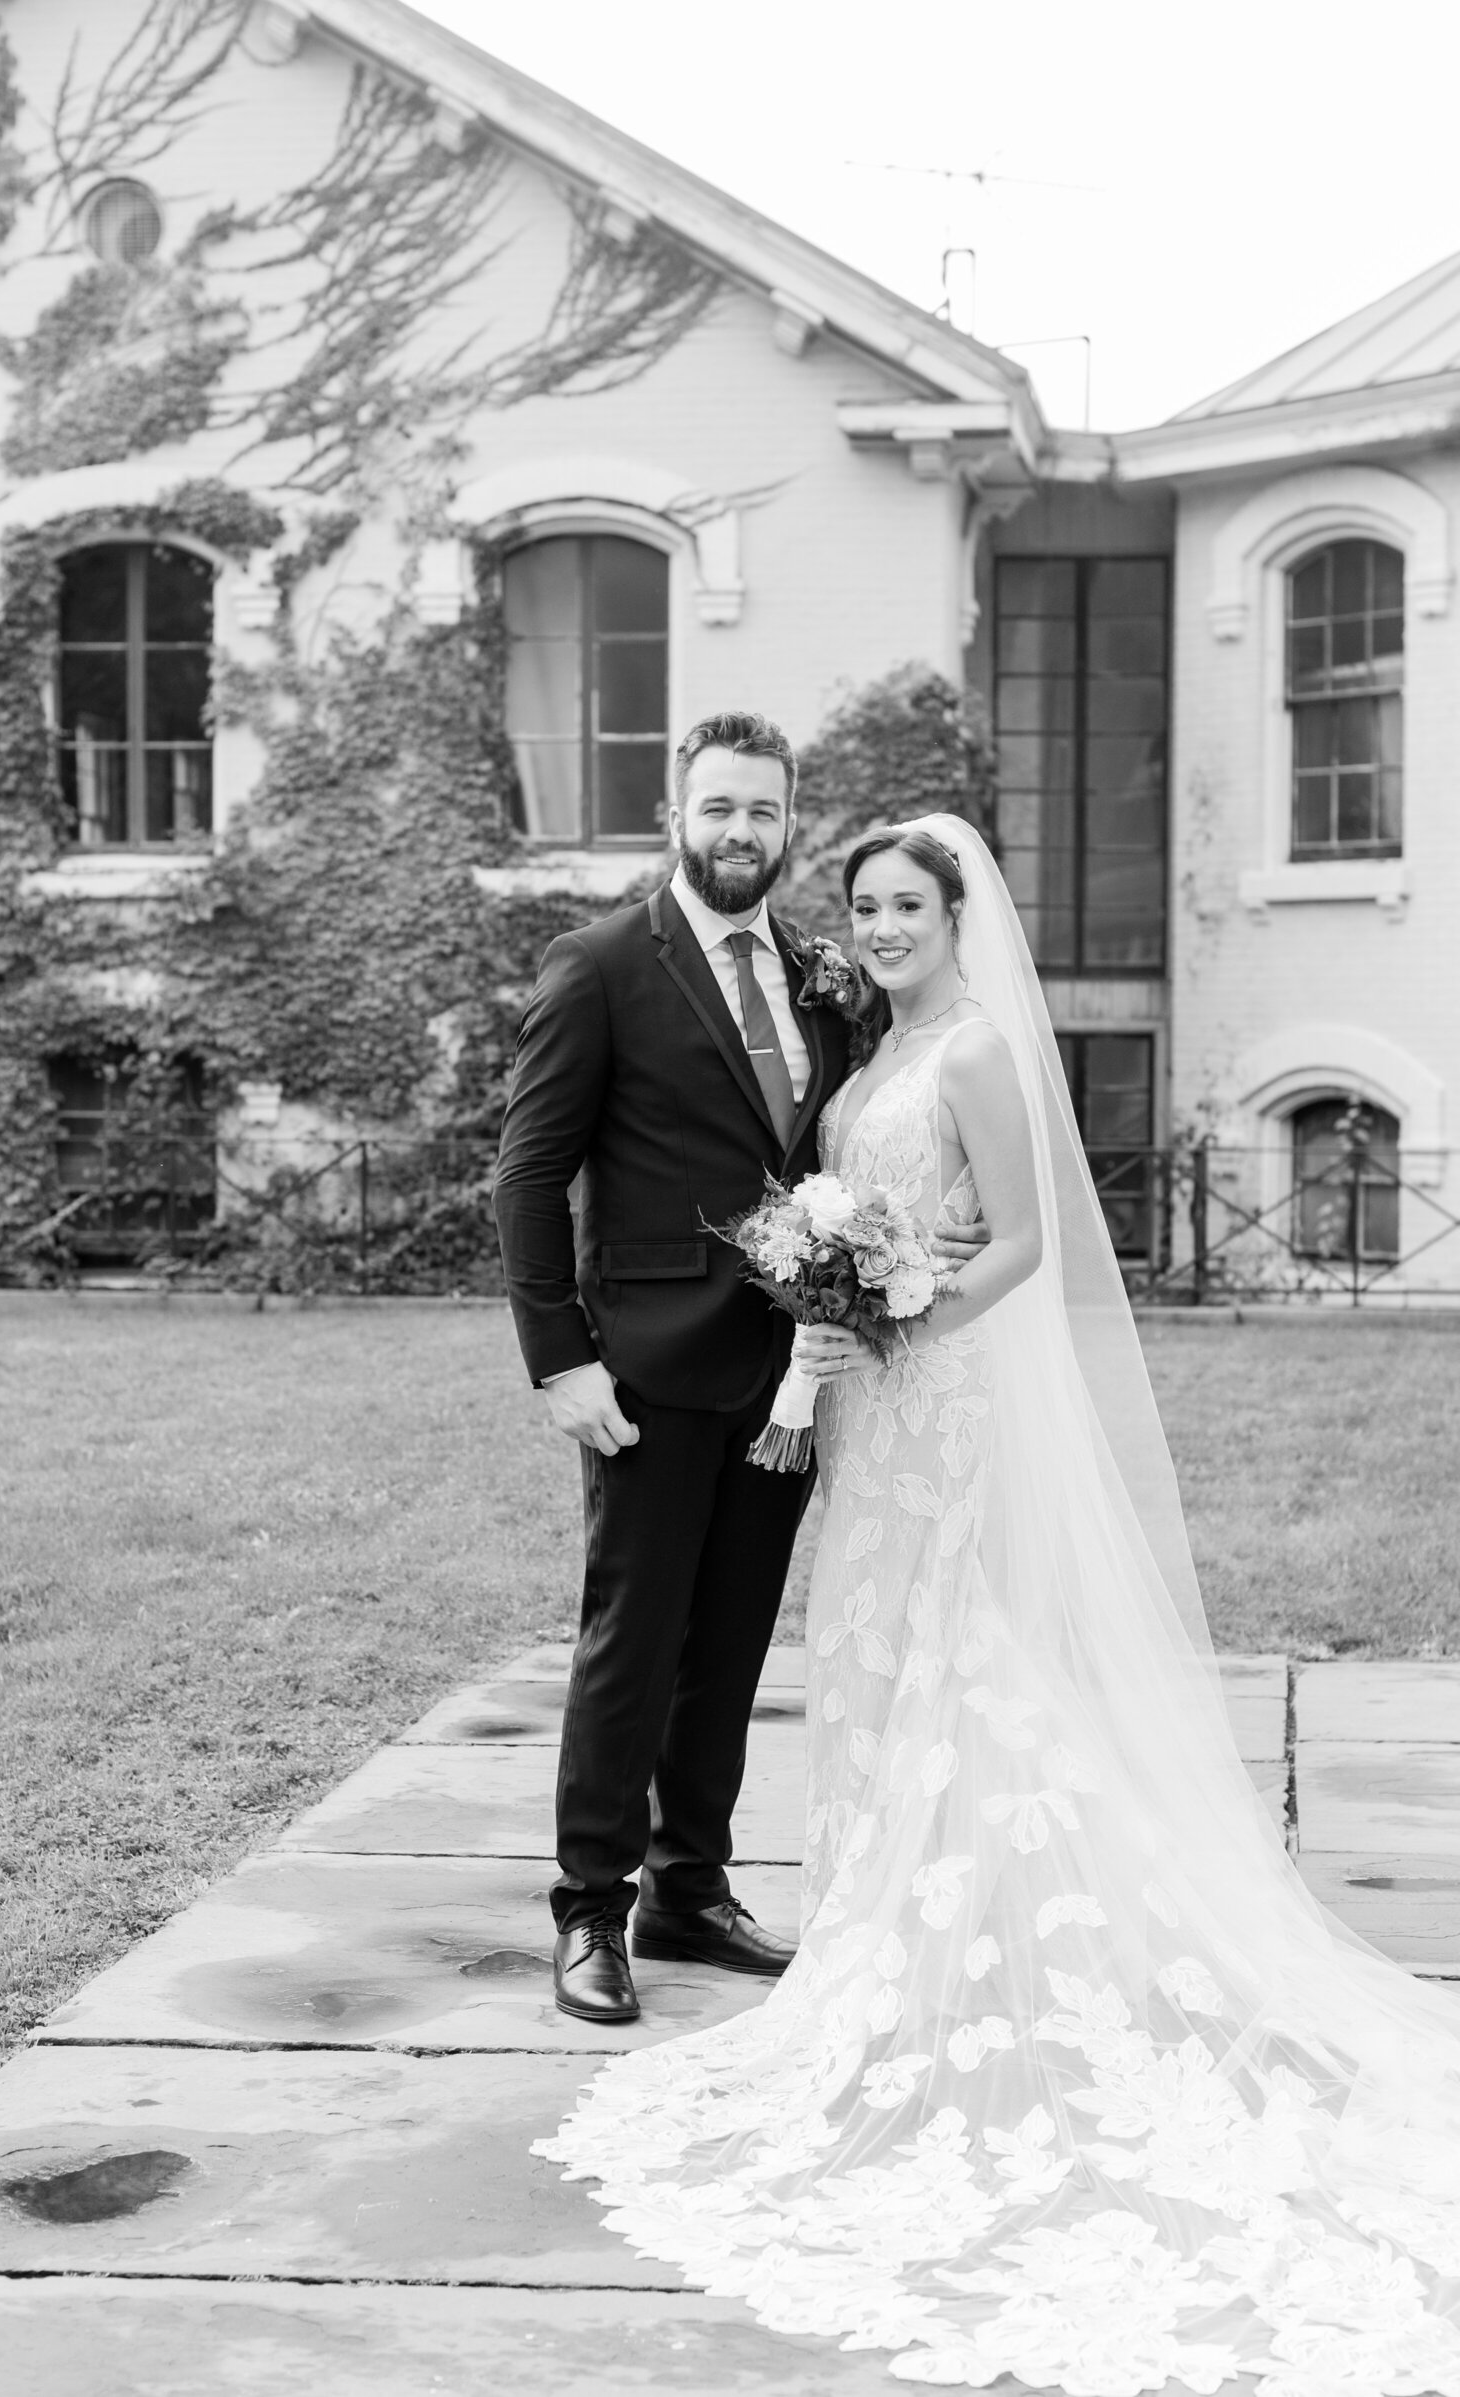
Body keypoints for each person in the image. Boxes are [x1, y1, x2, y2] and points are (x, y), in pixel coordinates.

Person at [535, 816, 1460, 2395]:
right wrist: (842, 1303)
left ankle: (985, 1933)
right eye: (870, 905)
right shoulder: (862, 1039)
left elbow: (1022, 1243)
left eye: (912, 904)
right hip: (870, 1418)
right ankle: (849, 1914)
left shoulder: (971, 1054)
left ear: (964, 913)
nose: (884, 925)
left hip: (935, 1397)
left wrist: (895, 1312)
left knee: (967, 1652)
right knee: (879, 1653)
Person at [493, 715, 983, 2027]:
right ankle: (591, 1908)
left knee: (731, 1644)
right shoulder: (598, 966)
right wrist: (560, 1360)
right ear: (679, 811)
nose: (739, 833)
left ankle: (689, 1890)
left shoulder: (822, 978)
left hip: (796, 1375)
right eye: (719, 809)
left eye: (762, 813)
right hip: (643, 1373)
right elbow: (529, 1177)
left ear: (787, 822)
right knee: (631, 1642)